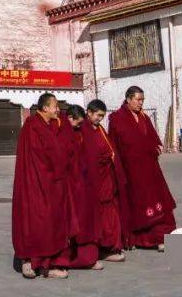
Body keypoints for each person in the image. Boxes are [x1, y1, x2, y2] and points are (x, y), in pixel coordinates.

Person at [108, 86, 176, 252]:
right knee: (138, 205)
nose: (140, 103)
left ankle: (161, 236)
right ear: (128, 99)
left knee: (159, 202)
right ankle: (140, 239)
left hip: (150, 168)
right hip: (131, 171)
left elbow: (152, 139)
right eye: (138, 100)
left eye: (142, 100)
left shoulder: (144, 117)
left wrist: (155, 149)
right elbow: (114, 147)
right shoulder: (116, 119)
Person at [12, 92, 72, 279]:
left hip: (52, 183)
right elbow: (37, 158)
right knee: (37, 220)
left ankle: (49, 263)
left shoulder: (49, 125)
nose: (58, 109)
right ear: (45, 108)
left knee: (53, 221)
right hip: (36, 183)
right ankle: (30, 261)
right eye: (55, 106)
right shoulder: (32, 127)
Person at [80, 99, 127, 263]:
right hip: (93, 182)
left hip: (105, 180)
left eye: (102, 116)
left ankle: (110, 246)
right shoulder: (83, 129)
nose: (100, 119)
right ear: (89, 112)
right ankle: (100, 249)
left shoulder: (99, 129)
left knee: (109, 214)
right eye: (98, 115)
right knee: (98, 216)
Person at [56, 105, 101, 271]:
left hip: (81, 182)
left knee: (83, 218)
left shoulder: (77, 132)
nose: (80, 126)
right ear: (69, 118)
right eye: (78, 123)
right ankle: (67, 258)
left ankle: (85, 257)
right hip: (68, 183)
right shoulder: (60, 130)